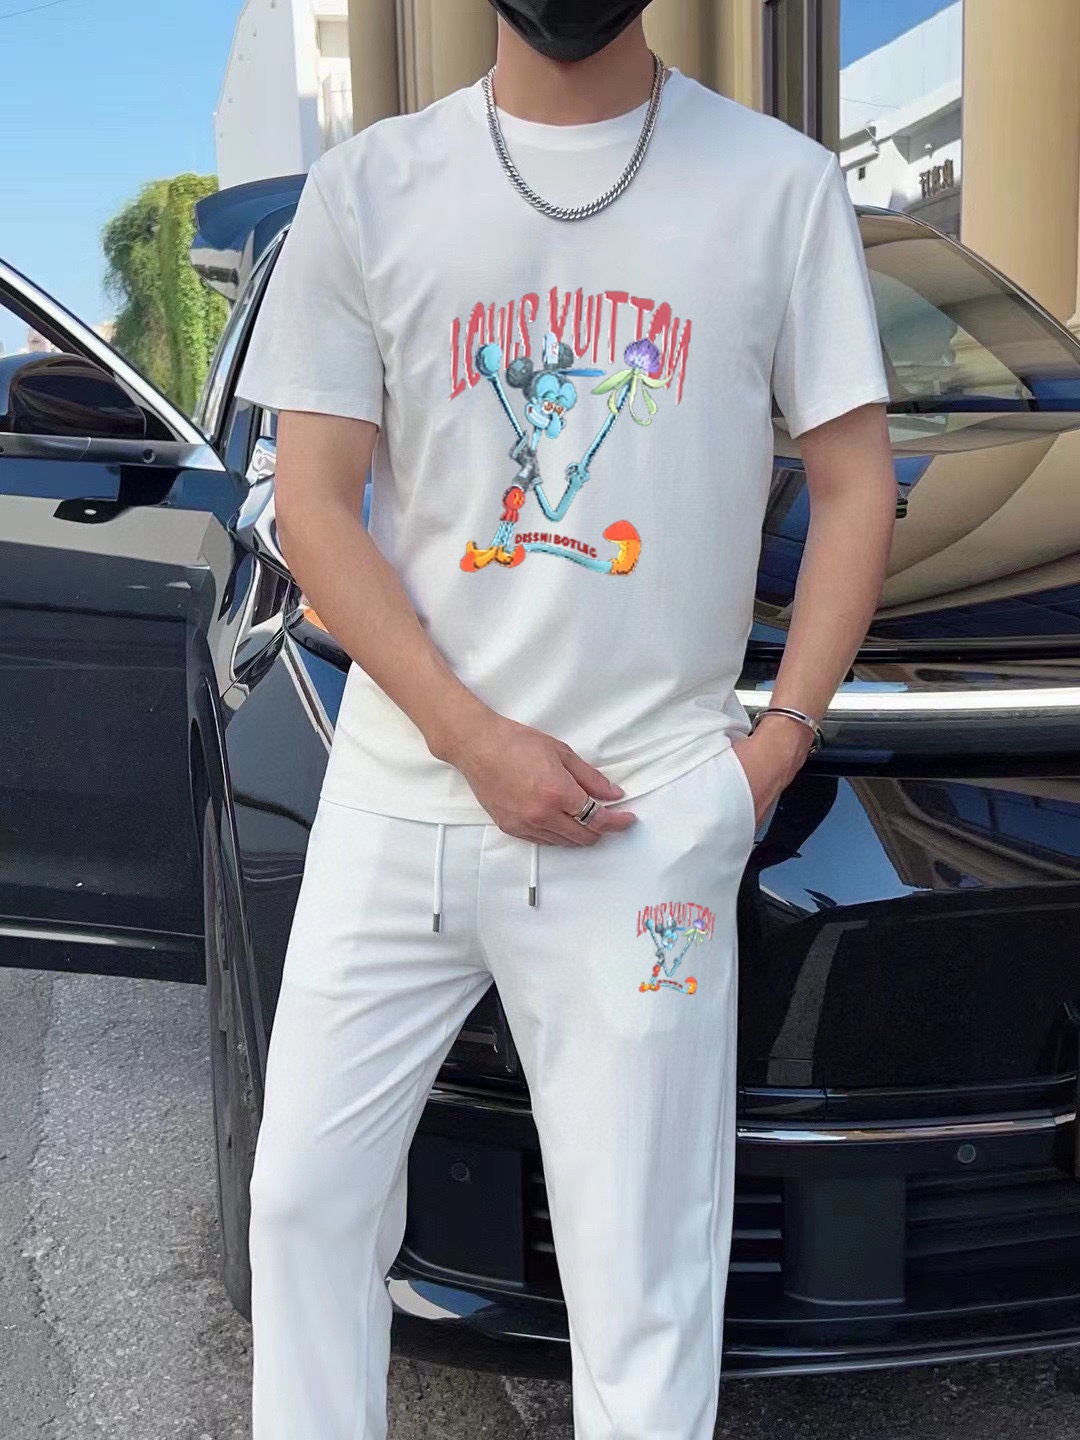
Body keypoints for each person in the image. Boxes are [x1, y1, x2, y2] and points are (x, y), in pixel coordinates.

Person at [233, 1, 896, 1436]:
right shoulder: (369, 187)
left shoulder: (778, 186)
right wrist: (473, 741)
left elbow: (857, 484)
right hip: (402, 796)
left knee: (642, 1283)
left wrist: (774, 748)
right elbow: (312, 504)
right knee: (300, 1205)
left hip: (646, 813)